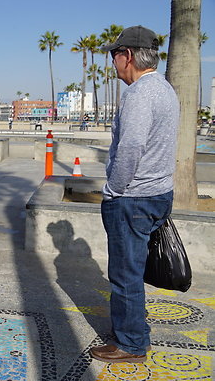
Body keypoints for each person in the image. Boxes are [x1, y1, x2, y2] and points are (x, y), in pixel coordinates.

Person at [89, 25, 180, 364]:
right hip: (156, 193)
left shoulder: (140, 93)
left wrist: (113, 190)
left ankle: (130, 344)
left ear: (127, 56)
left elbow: (131, 147)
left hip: (133, 198)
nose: (113, 64)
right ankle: (134, 332)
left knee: (125, 274)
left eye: (114, 56)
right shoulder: (164, 89)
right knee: (133, 270)